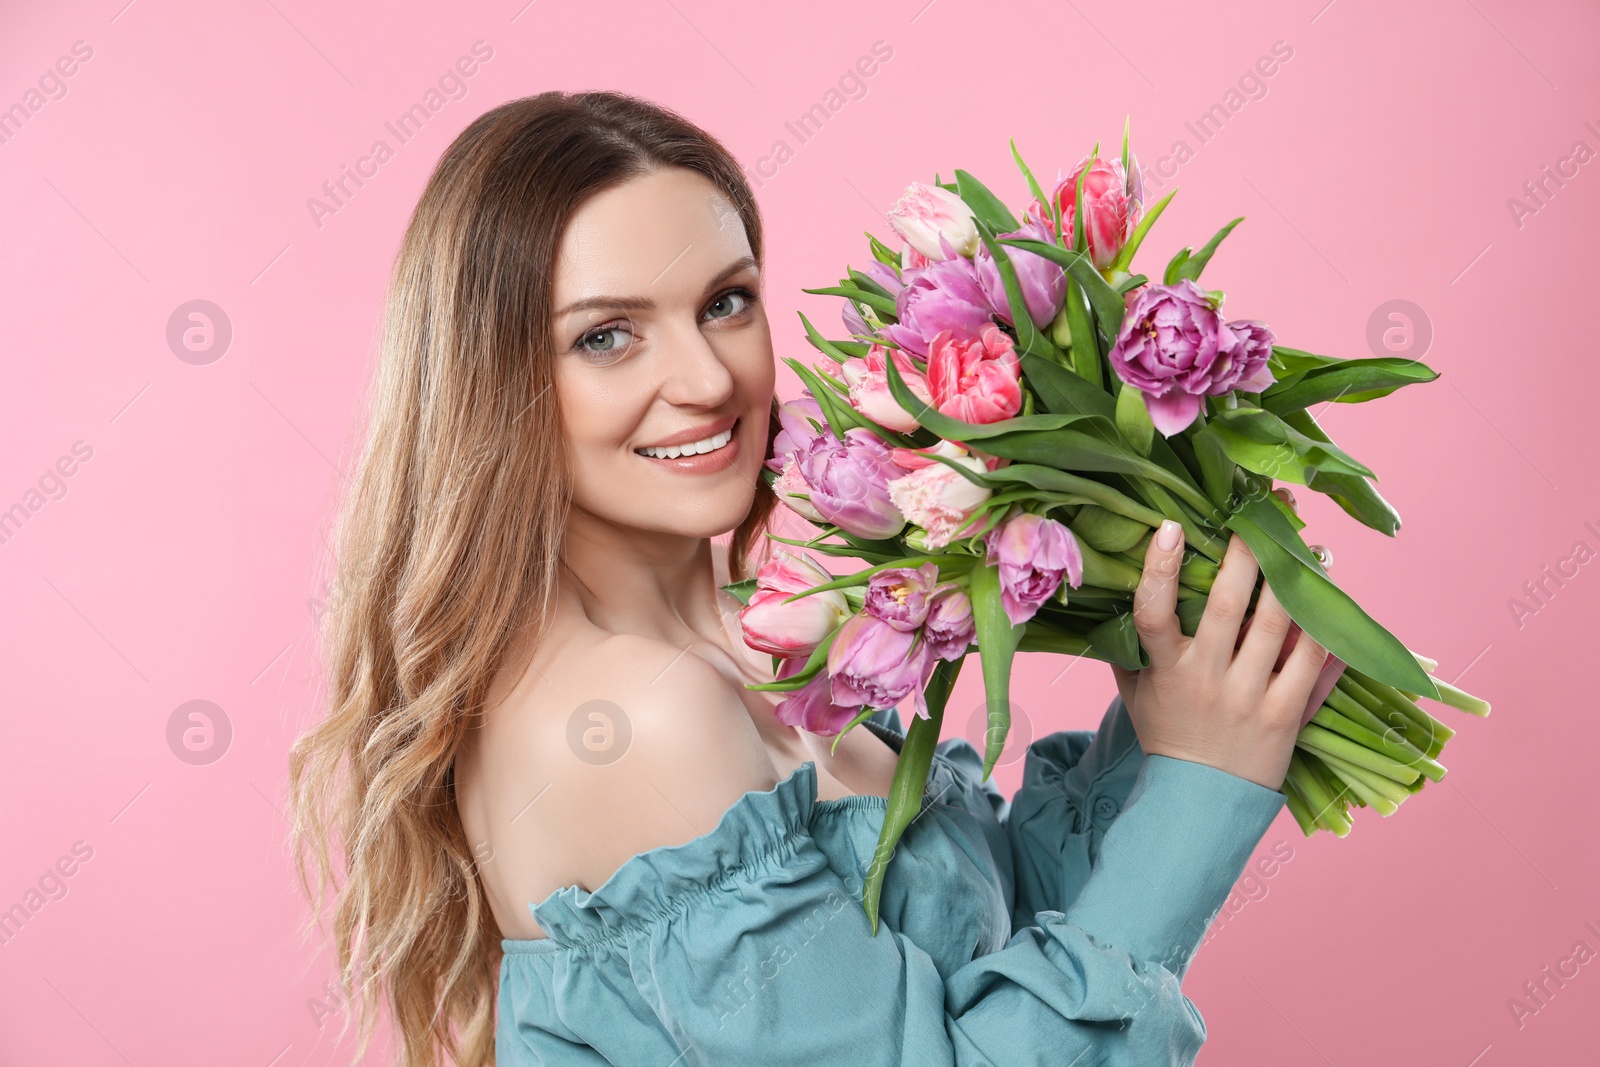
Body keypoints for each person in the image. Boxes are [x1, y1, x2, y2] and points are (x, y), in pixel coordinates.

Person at [287, 89, 1332, 1067]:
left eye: (726, 302)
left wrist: (1179, 708)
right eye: (606, 336)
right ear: (489, 382)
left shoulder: (761, 635)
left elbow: (993, 947)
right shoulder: (630, 719)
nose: (705, 380)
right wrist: (1204, 785)